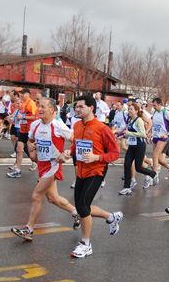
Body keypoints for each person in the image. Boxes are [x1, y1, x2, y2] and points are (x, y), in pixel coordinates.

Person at [57, 94, 123, 258]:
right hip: (81, 170)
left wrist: (97, 157)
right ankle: (111, 217)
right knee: (81, 206)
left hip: (96, 171)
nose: (77, 110)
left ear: (91, 108)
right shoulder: (78, 125)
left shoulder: (102, 128)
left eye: (80, 106)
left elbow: (115, 153)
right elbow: (76, 144)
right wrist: (68, 152)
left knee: (83, 207)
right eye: (76, 107)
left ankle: (86, 244)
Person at [11, 98, 81, 241]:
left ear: (52, 110)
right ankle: (76, 213)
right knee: (53, 198)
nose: (40, 109)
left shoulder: (58, 126)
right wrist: (31, 150)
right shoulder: (35, 125)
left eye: (43, 107)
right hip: (42, 166)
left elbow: (76, 141)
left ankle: (29, 230)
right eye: (39, 107)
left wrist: (66, 153)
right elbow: (30, 143)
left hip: (53, 166)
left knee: (36, 195)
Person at [119, 102, 158, 195]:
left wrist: (129, 134)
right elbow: (129, 132)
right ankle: (127, 187)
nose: (129, 111)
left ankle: (153, 174)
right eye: (129, 109)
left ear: (136, 111)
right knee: (127, 165)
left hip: (140, 146)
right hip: (131, 146)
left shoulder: (139, 120)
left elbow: (143, 134)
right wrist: (123, 136)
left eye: (131, 109)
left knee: (138, 168)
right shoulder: (129, 120)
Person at [7, 88, 38, 178]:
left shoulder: (31, 103)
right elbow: (19, 116)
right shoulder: (22, 104)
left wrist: (23, 118)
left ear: (28, 94)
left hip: (30, 130)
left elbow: (34, 117)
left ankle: (39, 165)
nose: (22, 95)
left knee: (31, 151)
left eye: (24, 93)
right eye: (21, 93)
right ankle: (17, 170)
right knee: (19, 149)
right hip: (23, 130)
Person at [149, 98, 169, 180]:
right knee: (159, 159)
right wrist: (150, 132)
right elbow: (153, 124)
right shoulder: (154, 112)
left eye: (155, 105)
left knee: (154, 156)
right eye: (153, 105)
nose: (153, 107)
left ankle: (154, 177)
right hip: (155, 136)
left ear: (160, 104)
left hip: (163, 137)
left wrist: (167, 134)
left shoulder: (166, 113)